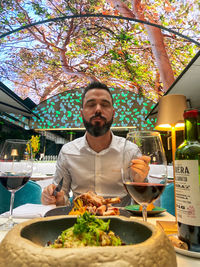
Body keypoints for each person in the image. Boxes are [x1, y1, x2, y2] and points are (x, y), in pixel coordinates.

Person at [41, 82, 150, 207]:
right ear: (81, 113)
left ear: (113, 113)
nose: (98, 109)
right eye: (91, 104)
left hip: (120, 222)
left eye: (104, 104)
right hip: (80, 221)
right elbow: (61, 195)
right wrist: (54, 198)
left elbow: (144, 204)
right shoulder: (68, 152)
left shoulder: (131, 151)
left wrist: (139, 184)